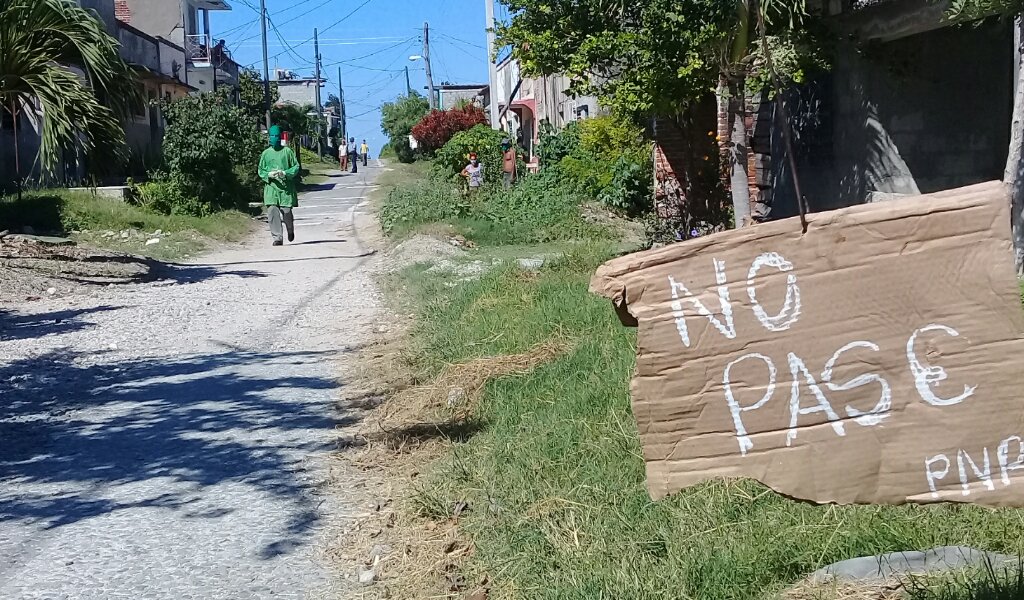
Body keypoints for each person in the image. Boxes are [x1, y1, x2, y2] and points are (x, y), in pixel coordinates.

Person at [258, 125, 300, 246]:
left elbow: (295, 167)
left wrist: (285, 173)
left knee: (286, 211)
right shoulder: (265, 154)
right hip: (271, 187)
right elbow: (261, 170)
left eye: (276, 136)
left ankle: (290, 229)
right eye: (272, 136)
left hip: (285, 188)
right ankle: (277, 237)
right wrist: (269, 174)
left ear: (280, 137)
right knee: (272, 211)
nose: (274, 138)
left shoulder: (287, 151)